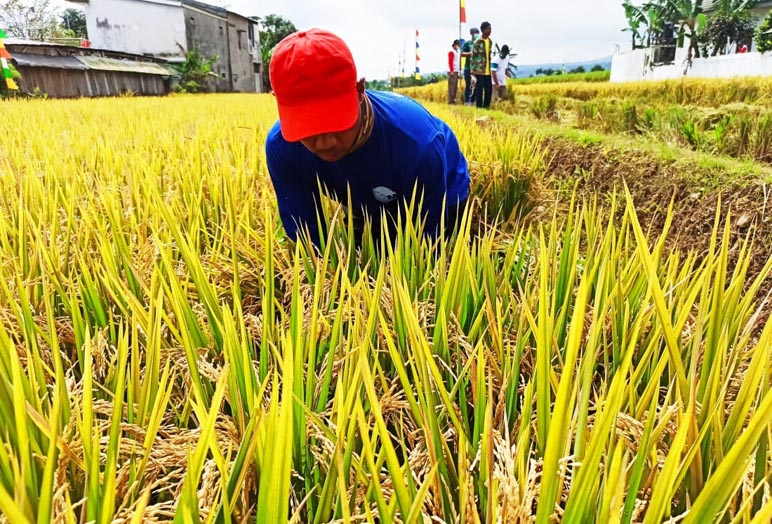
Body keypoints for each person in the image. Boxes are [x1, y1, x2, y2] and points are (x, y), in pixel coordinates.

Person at [265, 29, 471, 249]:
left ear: (360, 90)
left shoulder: (417, 144)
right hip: (362, 199)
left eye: (336, 123)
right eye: (308, 129)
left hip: (441, 192)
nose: (325, 144)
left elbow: (428, 244)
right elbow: (306, 238)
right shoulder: (282, 148)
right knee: (363, 254)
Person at [471, 21, 493, 109]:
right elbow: (473, 57)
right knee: (479, 90)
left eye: (490, 28)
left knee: (489, 90)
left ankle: (486, 107)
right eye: (489, 28)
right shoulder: (477, 42)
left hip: (487, 70)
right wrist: (472, 73)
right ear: (483, 30)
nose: (490, 30)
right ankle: (479, 108)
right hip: (479, 71)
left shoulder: (490, 41)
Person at [460, 27, 480, 105]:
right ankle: (467, 102)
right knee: (469, 85)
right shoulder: (468, 43)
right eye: (475, 34)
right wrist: (471, 53)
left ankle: (473, 101)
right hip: (468, 68)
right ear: (471, 34)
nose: (477, 35)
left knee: (476, 86)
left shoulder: (479, 44)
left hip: (477, 69)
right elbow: (462, 54)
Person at [447, 39, 461, 104]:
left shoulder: (457, 51)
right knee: (451, 87)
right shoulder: (451, 51)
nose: (458, 46)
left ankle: (453, 99)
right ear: (455, 44)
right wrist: (451, 71)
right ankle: (450, 100)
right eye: (458, 45)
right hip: (452, 71)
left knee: (455, 86)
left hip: (456, 70)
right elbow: (450, 62)